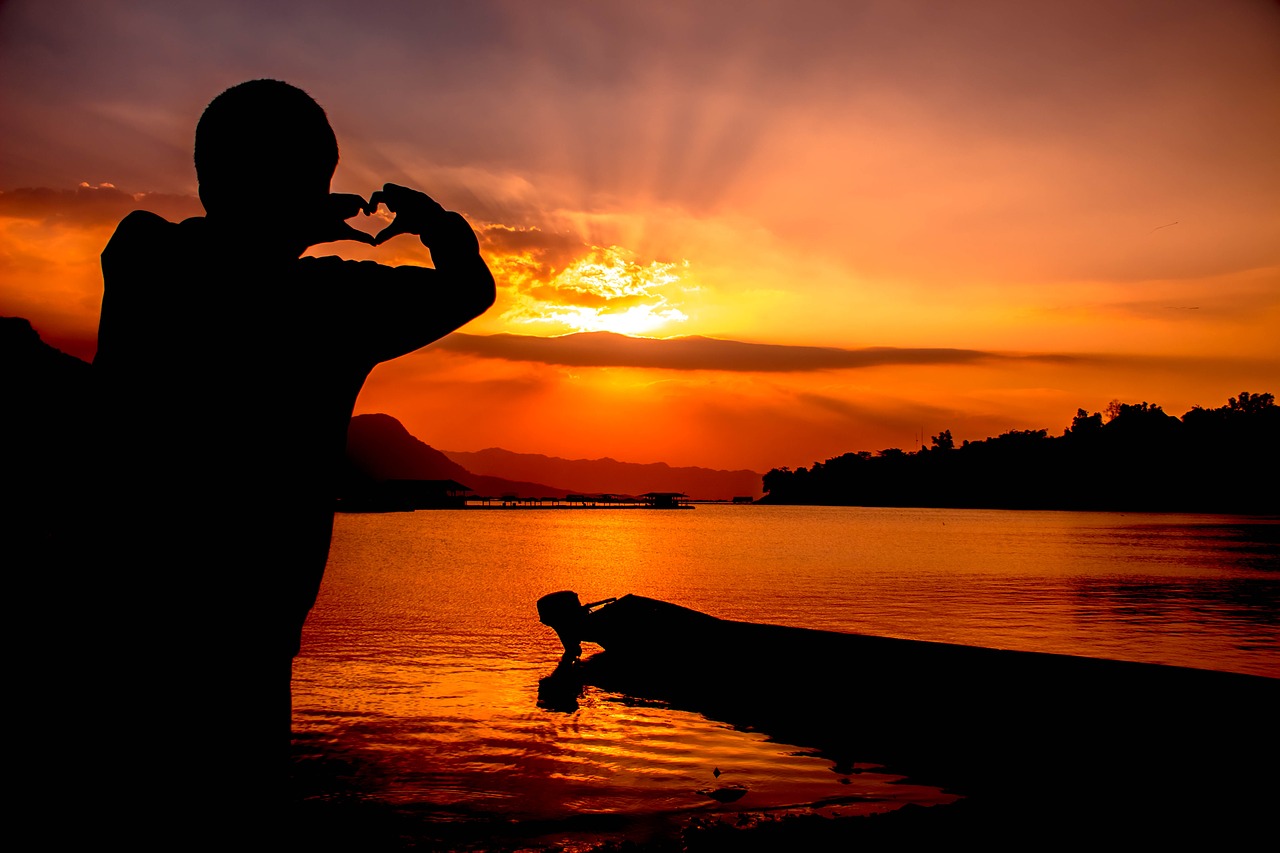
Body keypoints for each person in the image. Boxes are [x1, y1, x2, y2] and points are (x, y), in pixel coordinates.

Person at [90, 79, 494, 841]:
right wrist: (436, 224)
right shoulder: (333, 304)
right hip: (250, 630)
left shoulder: (144, 258)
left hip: (124, 615)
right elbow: (470, 289)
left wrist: (290, 222)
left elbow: (199, 254)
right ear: (318, 185)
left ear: (207, 179)